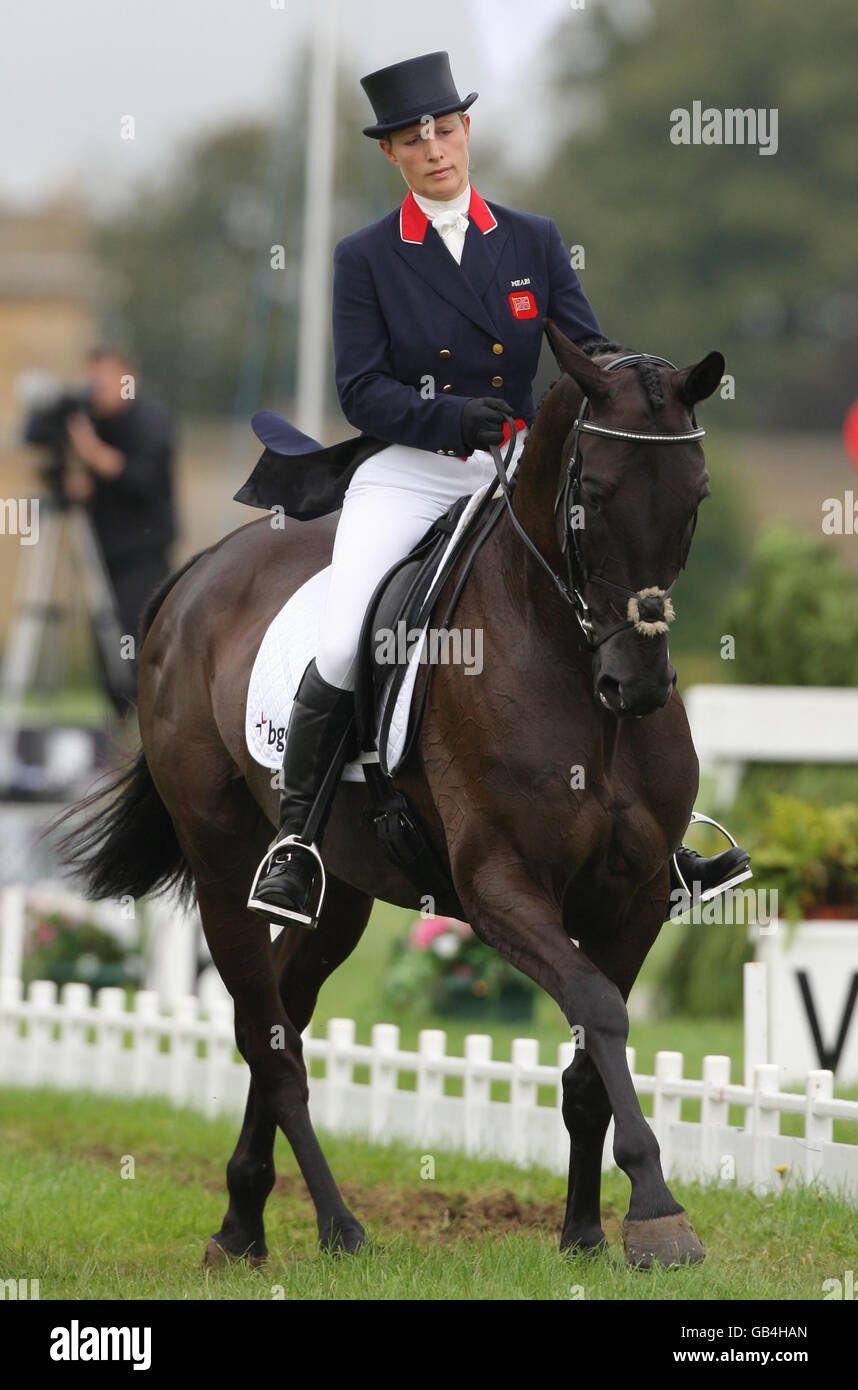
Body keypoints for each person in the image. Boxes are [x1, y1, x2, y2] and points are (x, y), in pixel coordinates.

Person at [248, 51, 750, 924]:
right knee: (342, 638)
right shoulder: (367, 256)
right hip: (409, 471)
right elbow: (360, 389)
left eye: (445, 128)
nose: (435, 147)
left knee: (605, 602)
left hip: (516, 468)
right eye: (414, 138)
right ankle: (296, 843)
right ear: (392, 156)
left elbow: (585, 357)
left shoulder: (533, 240)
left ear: (465, 130)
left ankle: (656, 842)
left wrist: (641, 393)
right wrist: (451, 420)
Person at [64, 347, 177, 712]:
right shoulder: (92, 422)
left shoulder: (151, 422)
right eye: (91, 379)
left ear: (129, 379)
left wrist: (89, 449)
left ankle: (146, 723)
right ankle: (114, 727)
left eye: (105, 379)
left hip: (143, 558)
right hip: (102, 557)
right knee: (105, 650)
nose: (96, 388)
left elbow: (140, 478)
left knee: (135, 646)